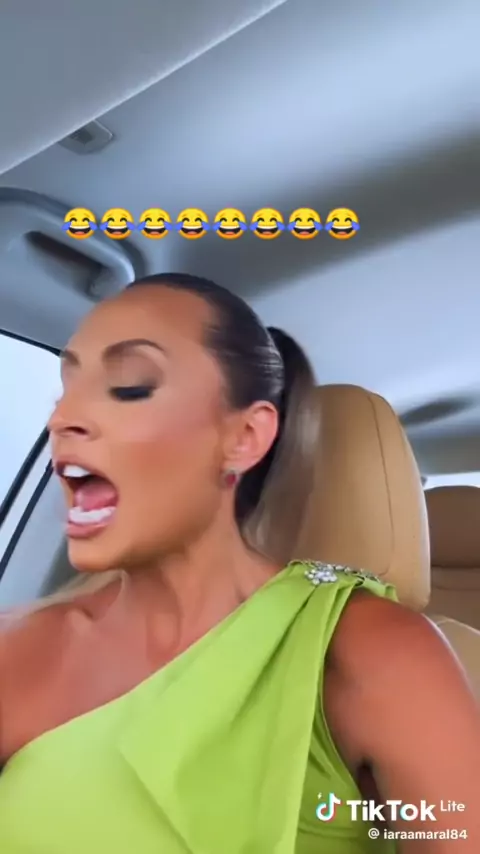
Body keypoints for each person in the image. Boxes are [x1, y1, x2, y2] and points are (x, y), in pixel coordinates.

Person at [0, 273, 478, 854]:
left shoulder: (379, 655)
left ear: (245, 437)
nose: (63, 419)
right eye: (66, 389)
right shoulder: (15, 648)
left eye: (129, 387)